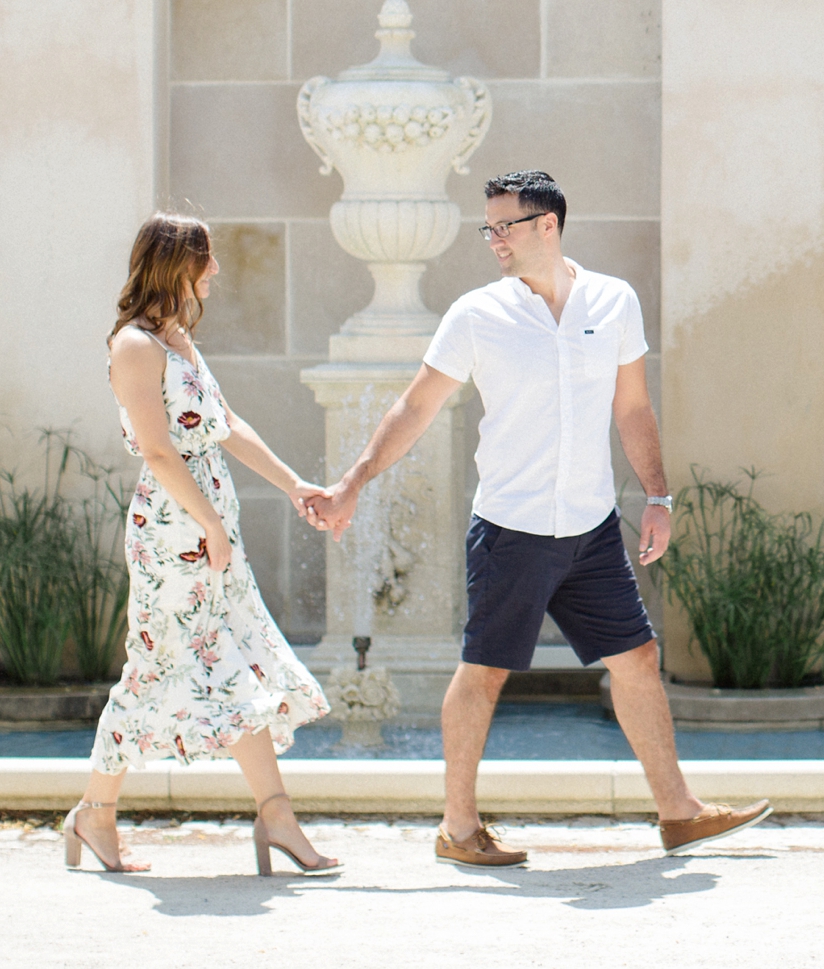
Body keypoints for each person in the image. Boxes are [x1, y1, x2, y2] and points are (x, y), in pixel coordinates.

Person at [310, 170, 769, 866]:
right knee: (485, 671)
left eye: (505, 226)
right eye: (487, 227)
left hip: (589, 527)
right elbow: (415, 406)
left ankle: (678, 811)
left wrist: (658, 495)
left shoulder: (613, 300)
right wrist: (354, 480)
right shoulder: (474, 314)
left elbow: (633, 406)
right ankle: (458, 828)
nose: (492, 238)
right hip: (511, 528)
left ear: (547, 226)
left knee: (638, 659)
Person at [62, 212, 342, 877]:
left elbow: (224, 425)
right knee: (157, 666)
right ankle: (95, 812)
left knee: (235, 657)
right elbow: (158, 449)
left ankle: (274, 814)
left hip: (209, 521)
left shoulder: (179, 337)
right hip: (172, 528)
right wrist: (208, 525)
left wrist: (295, 482)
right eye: (205, 258)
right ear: (175, 263)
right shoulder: (134, 345)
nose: (215, 270)